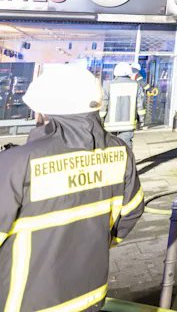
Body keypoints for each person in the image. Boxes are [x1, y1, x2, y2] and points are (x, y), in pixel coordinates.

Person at [0, 65, 143, 311]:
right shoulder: (121, 152)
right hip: (89, 298)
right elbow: (132, 211)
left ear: (46, 110)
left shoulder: (16, 162)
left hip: (24, 301)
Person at [101, 62, 146, 148]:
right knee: (126, 147)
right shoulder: (136, 85)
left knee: (111, 147)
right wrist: (141, 121)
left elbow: (104, 106)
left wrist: (101, 120)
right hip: (128, 125)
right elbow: (140, 106)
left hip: (110, 125)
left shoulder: (108, 85)